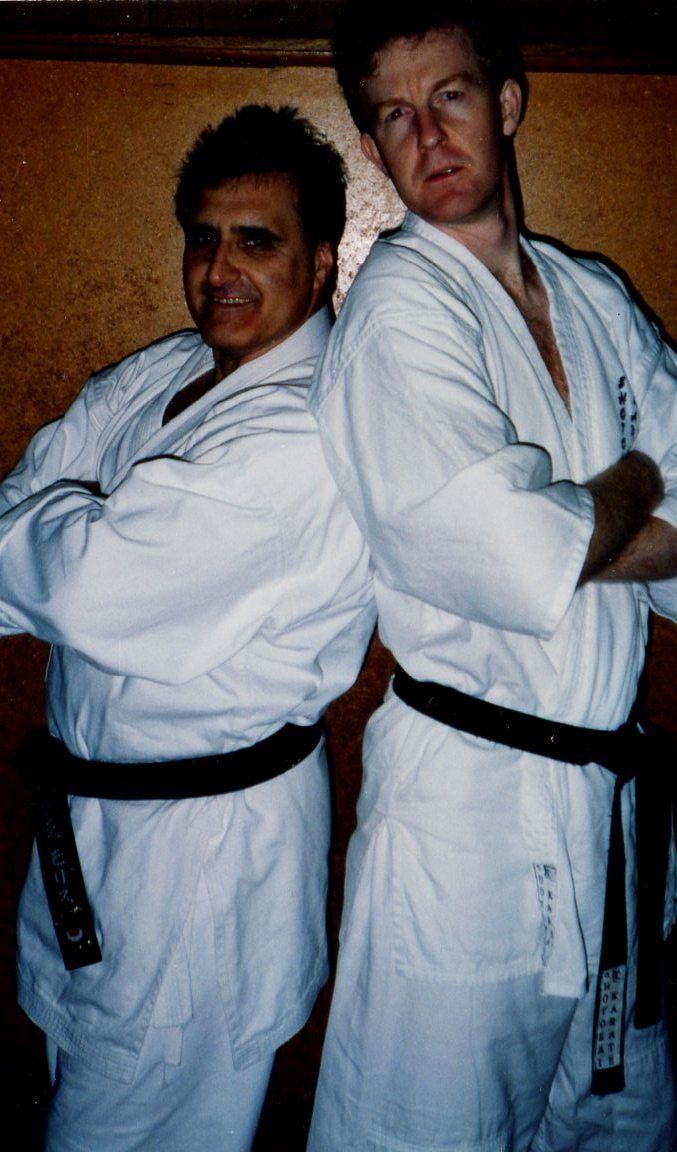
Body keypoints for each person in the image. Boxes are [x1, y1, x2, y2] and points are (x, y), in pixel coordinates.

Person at [306, 4, 677, 1150]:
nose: (428, 135)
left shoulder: (596, 299)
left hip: (608, 809)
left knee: (611, 1130)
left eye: (450, 97)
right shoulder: (396, 312)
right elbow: (515, 555)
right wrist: (628, 491)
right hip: (470, 823)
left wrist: (584, 523)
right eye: (394, 117)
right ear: (372, 149)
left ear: (505, 103)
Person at [0, 103, 374, 1151]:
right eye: (203, 239)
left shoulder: (302, 431)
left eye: (257, 241)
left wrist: (66, 549)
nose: (220, 269)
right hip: (94, 828)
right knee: (74, 1076)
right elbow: (36, 518)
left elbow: (82, 589)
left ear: (318, 266)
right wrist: (65, 541)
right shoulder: (167, 371)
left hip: (199, 876)